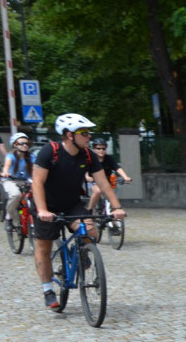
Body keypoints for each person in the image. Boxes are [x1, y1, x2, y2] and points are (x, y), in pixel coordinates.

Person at [31, 113, 126, 309]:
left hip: (72, 203)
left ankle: (82, 255)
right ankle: (48, 289)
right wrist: (42, 210)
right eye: (83, 132)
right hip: (47, 205)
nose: (88, 136)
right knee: (44, 247)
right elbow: (38, 183)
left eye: (88, 132)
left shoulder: (88, 155)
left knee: (90, 231)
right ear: (69, 135)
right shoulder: (51, 152)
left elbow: (103, 183)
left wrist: (116, 207)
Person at [85, 137, 132, 212]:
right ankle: (89, 210)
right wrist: (87, 176)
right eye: (98, 148)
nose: (101, 150)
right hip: (93, 182)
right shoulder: (91, 159)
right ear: (94, 149)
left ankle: (113, 216)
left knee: (112, 197)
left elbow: (117, 168)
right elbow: (85, 169)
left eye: (103, 149)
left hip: (107, 182)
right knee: (98, 191)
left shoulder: (109, 158)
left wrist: (125, 177)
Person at [1, 132, 33, 232]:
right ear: (15, 144)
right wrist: (5, 172)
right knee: (16, 194)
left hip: (27, 181)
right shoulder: (10, 156)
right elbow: (6, 165)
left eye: (27, 143)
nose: (25, 145)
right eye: (22, 143)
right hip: (10, 180)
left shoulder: (31, 156)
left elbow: (38, 167)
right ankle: (8, 217)